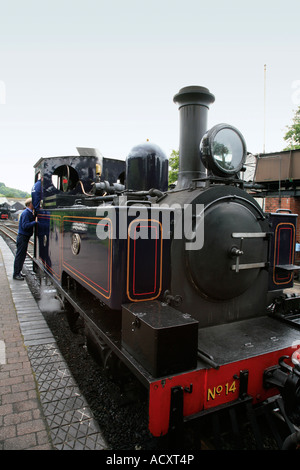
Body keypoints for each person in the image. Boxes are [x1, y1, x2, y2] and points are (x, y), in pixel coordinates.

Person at [13, 198, 37, 280]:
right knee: (20, 256)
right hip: (23, 237)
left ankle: (18, 272)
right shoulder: (26, 213)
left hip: (24, 237)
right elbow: (25, 226)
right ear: (30, 204)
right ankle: (16, 274)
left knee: (22, 256)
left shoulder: (28, 213)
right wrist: (35, 222)